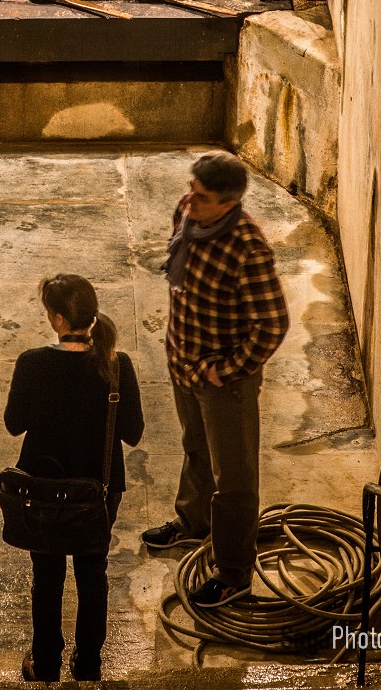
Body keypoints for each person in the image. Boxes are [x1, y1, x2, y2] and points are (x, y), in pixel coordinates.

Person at [140, 151, 289, 608]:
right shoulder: (188, 216)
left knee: (235, 479)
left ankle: (234, 573)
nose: (189, 200)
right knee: (194, 446)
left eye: (201, 197)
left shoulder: (248, 248)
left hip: (225, 382)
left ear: (227, 204)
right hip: (183, 361)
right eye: (191, 189)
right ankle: (192, 523)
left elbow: (273, 324)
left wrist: (224, 370)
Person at [4, 274, 144, 682]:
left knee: (46, 576)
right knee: (91, 572)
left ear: (59, 319)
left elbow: (15, 424)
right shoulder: (117, 366)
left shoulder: (32, 363)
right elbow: (133, 433)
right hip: (98, 489)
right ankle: (88, 664)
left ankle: (45, 663)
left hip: (42, 489)